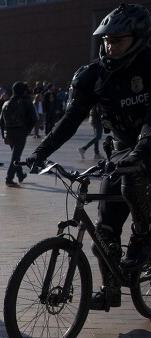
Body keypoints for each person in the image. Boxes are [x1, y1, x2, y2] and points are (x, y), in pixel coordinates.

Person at [27, 3, 151, 310]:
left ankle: (143, 238)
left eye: (118, 40)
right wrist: (41, 151)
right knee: (103, 233)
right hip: (123, 147)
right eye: (106, 40)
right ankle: (111, 291)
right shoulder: (94, 76)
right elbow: (71, 119)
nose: (110, 46)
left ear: (138, 38)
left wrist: (138, 154)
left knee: (131, 181)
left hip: (149, 145)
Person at [0, 81, 38, 187]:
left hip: (9, 133)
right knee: (15, 157)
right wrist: (28, 130)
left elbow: (1, 121)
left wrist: (4, 135)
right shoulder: (26, 101)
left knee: (15, 154)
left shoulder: (6, 103)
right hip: (21, 132)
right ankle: (9, 178)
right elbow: (34, 118)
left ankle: (20, 175)